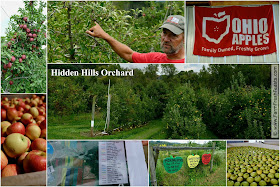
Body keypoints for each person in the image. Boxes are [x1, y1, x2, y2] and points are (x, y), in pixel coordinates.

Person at [86, 15, 185, 63]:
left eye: (173, 35)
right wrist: (104, 36)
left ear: (185, 38)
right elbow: (128, 54)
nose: (166, 39)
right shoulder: (154, 59)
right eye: (164, 33)